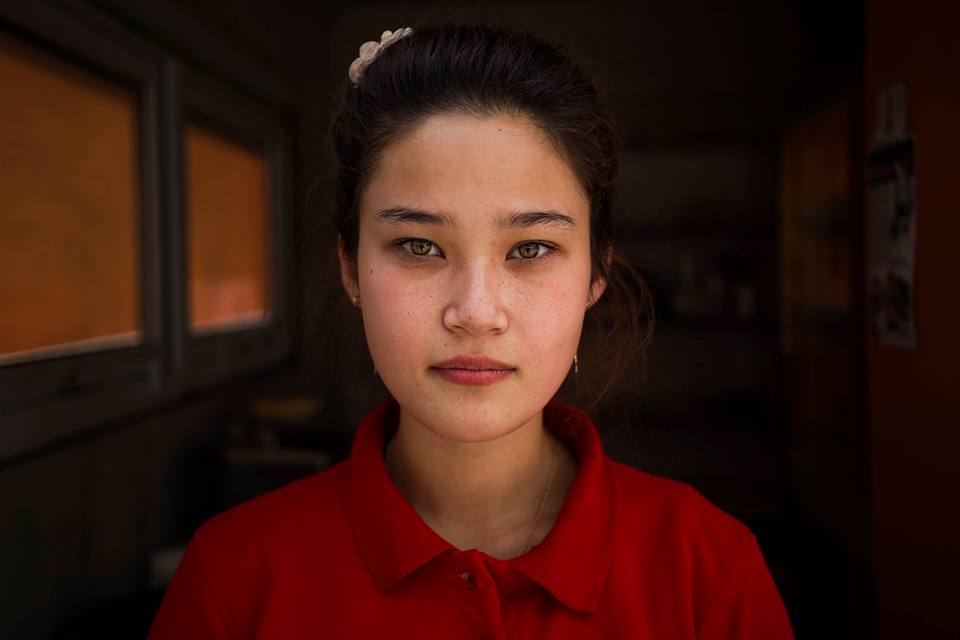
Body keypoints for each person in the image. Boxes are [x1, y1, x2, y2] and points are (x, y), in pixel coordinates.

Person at [149, 22, 794, 639]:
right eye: (419, 246)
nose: (476, 311)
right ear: (349, 266)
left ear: (597, 271)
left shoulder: (706, 570)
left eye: (532, 249)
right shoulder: (233, 580)